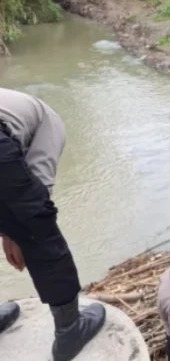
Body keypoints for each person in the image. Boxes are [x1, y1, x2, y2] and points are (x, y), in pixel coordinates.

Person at [0, 88, 106, 361]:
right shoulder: (50, 121)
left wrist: (8, 229)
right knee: (41, 233)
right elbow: (36, 198)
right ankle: (70, 330)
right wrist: (17, 234)